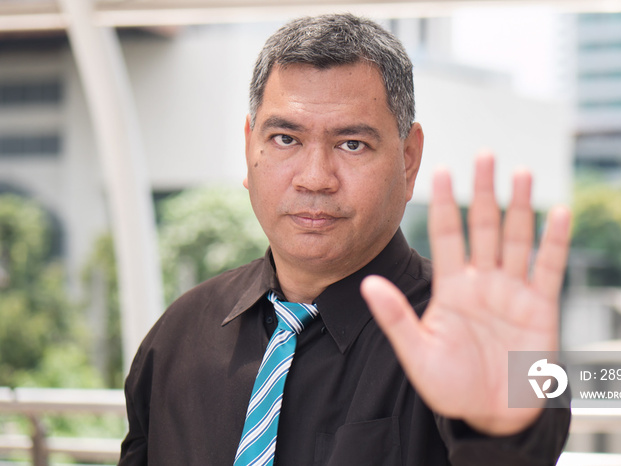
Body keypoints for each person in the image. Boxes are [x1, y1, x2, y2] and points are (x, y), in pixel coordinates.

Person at [119, 13, 572, 466]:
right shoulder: (181, 332)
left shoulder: (468, 329)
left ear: (409, 160)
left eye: (352, 144)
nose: (315, 179)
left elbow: (530, 424)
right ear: (248, 147)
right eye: (284, 138)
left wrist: (504, 424)